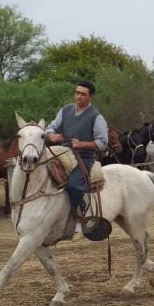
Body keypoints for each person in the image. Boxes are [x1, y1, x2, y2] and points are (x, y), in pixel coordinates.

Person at [45, 80, 109, 241]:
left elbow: (103, 142)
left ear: (91, 97)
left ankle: (83, 219)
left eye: (83, 94)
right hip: (63, 152)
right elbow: (51, 127)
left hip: (84, 156)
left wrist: (82, 143)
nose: (79, 96)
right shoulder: (65, 110)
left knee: (74, 185)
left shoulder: (96, 117)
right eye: (77, 93)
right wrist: (50, 135)